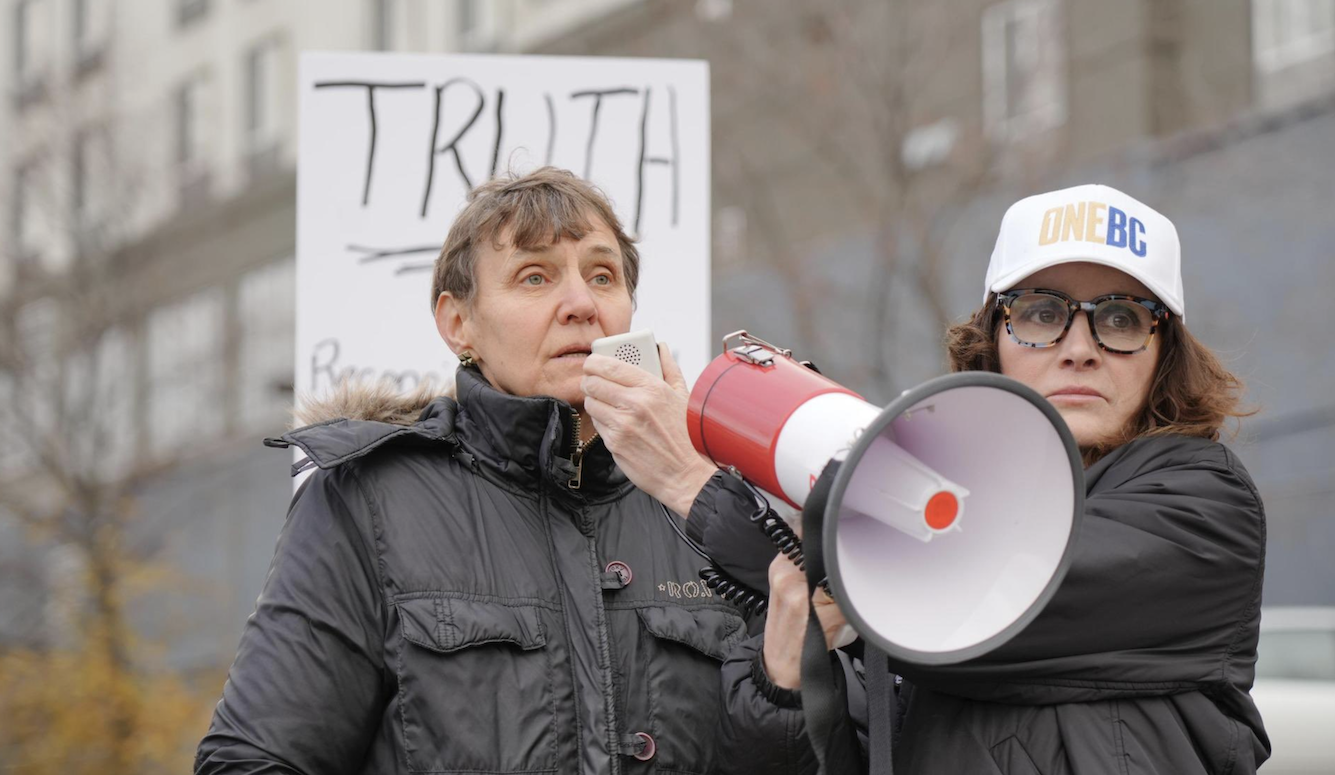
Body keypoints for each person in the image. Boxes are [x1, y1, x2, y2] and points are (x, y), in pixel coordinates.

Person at [193, 167, 742, 775]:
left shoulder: (711, 502)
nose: (582, 304)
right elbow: (252, 761)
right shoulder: (368, 500)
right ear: (459, 325)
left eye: (603, 276)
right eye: (535, 276)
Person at [705, 184, 1271, 774]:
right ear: (992, 337)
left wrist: (702, 495)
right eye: (1042, 313)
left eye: (1122, 318)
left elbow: (993, 584)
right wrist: (786, 682)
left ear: (1165, 353)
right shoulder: (910, 545)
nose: (1079, 349)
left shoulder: (1206, 508)